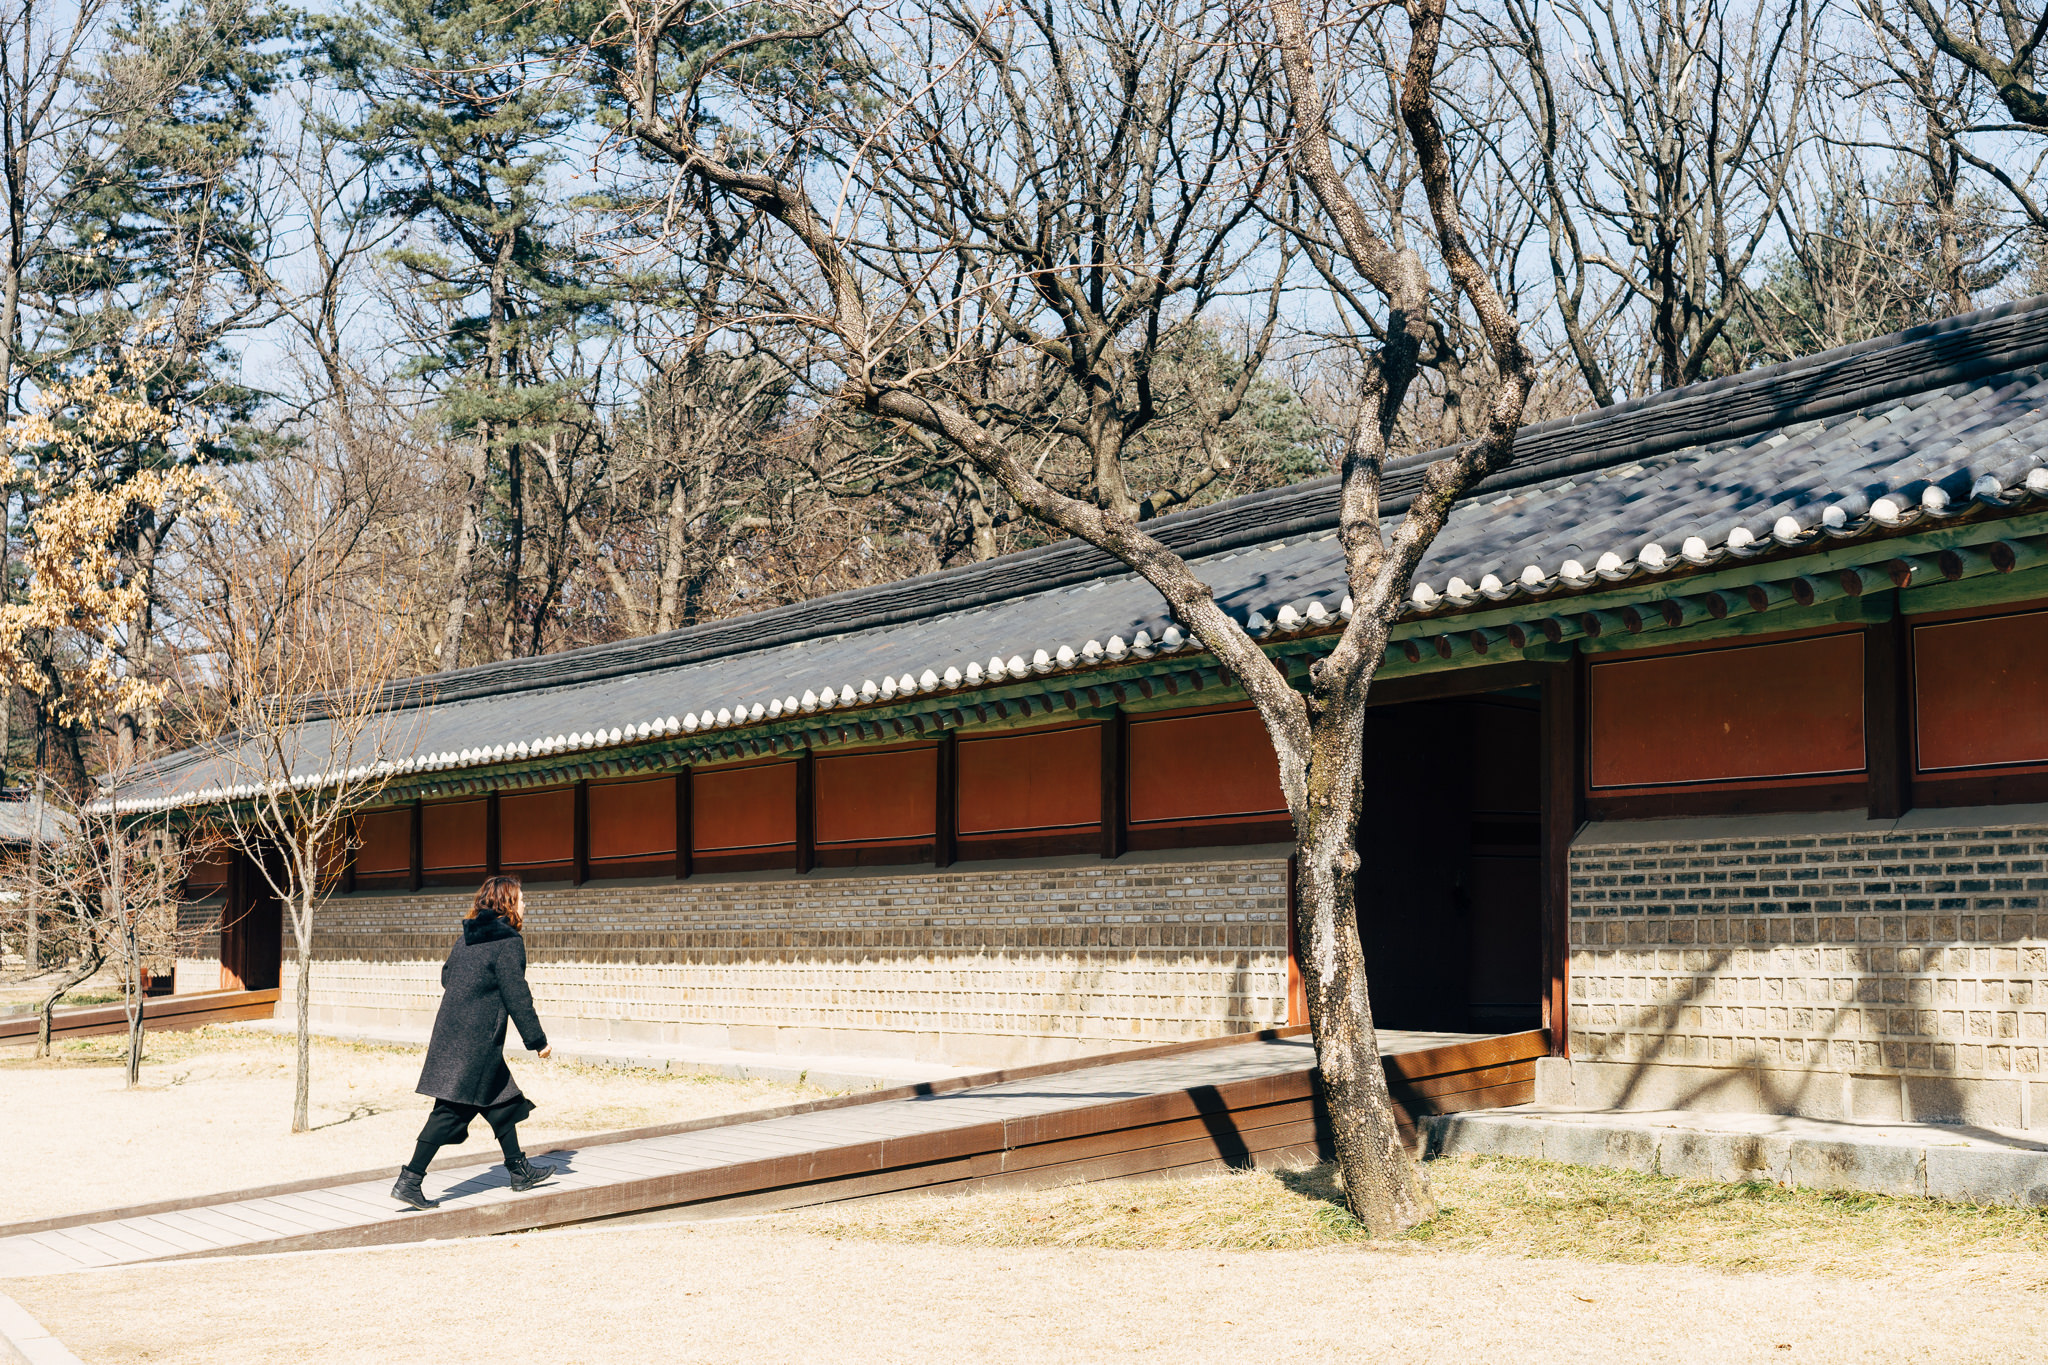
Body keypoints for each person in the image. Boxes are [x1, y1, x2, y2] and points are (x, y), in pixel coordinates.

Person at [391, 874, 556, 1209]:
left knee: (502, 1100)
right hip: (476, 1043)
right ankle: (410, 1180)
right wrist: (537, 1040)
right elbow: (517, 996)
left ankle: (519, 1170)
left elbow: (447, 976)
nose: (526, 904)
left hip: (453, 1034)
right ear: (508, 903)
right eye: (521, 898)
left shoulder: (466, 937)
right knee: (450, 1111)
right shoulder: (507, 942)